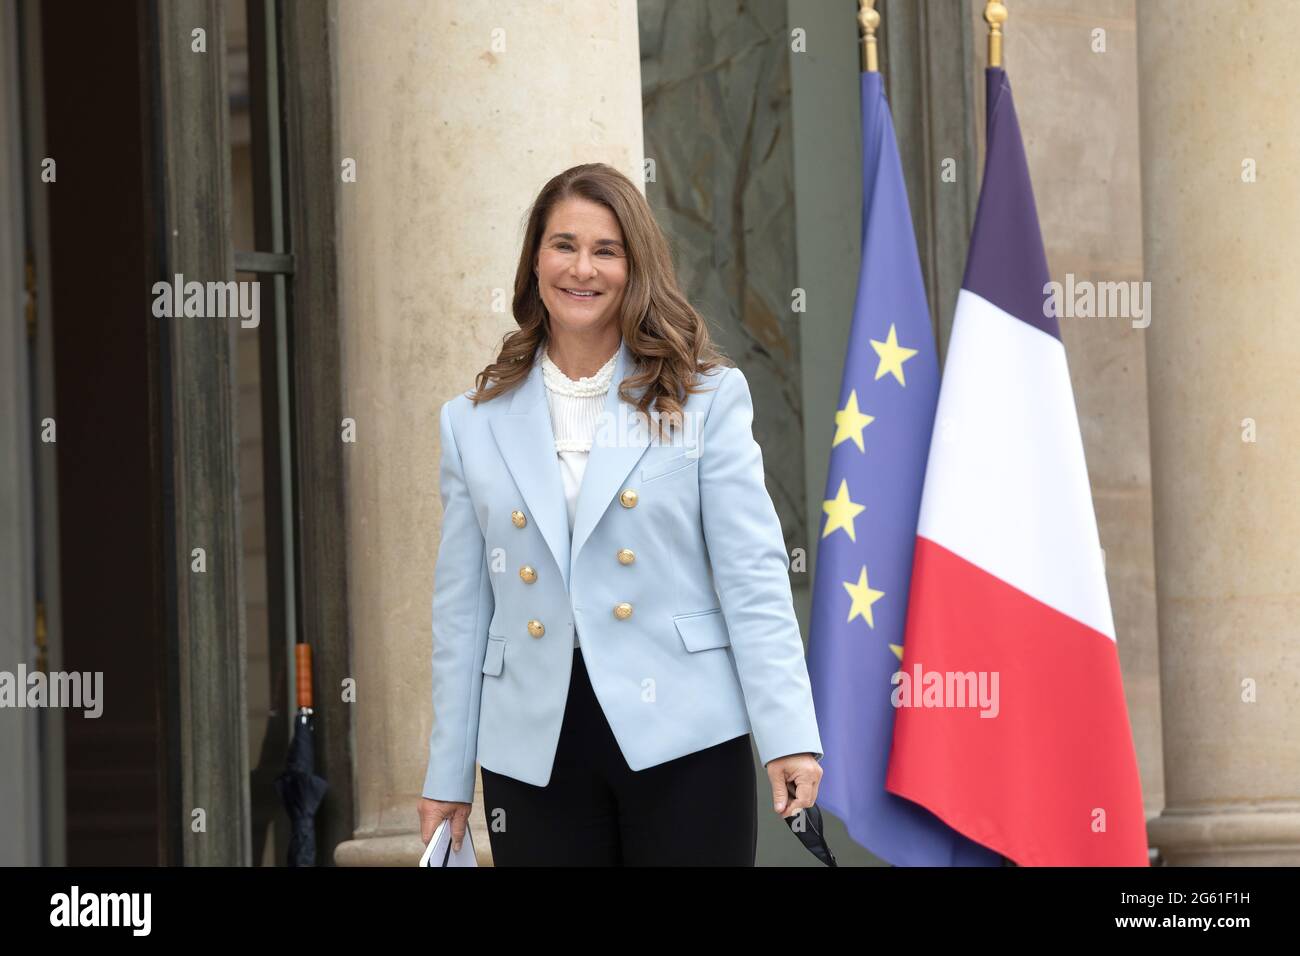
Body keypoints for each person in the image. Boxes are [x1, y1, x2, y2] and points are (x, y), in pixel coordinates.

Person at [416, 162, 823, 865]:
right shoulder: (471, 424)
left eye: (606, 250)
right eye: (563, 245)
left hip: (685, 731)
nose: (583, 269)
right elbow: (462, 612)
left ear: (636, 268)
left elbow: (753, 577)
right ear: (534, 262)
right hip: (534, 747)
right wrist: (447, 772)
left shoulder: (705, 398)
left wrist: (789, 732)